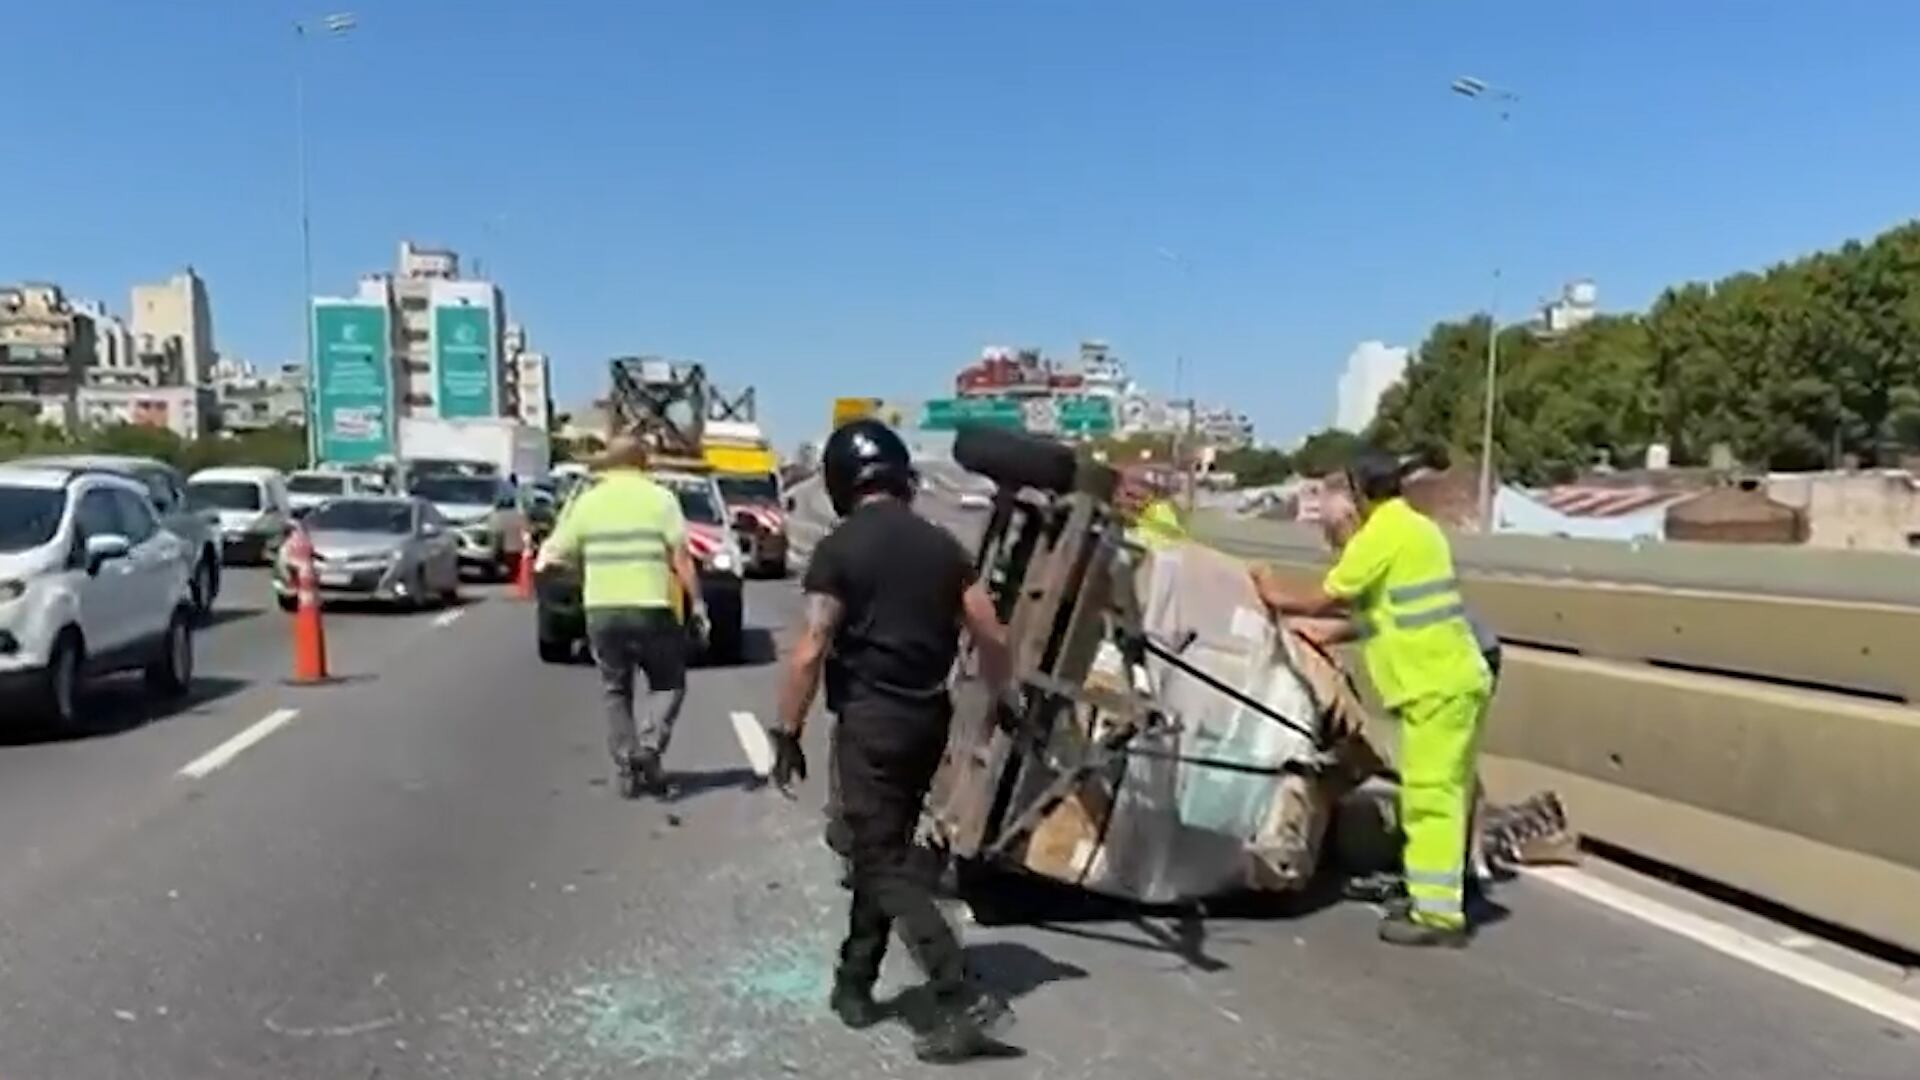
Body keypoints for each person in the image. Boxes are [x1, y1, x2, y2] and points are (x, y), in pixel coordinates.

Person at [769, 418, 1017, 1064]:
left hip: (871, 726)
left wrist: (787, 731)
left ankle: (957, 990)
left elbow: (810, 650)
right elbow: (991, 634)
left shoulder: (840, 549)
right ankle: (855, 982)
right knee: (881, 851)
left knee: (877, 859)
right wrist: (999, 700)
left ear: (840, 483)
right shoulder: (942, 546)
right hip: (926, 720)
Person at [1250, 448, 1492, 948]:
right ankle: (1429, 892)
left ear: (1361, 494)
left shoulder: (1384, 535)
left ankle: (1438, 916)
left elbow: (1328, 593)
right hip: (1446, 680)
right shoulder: (1413, 529)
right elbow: (1378, 614)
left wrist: (1272, 593)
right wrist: (1320, 633)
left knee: (1431, 799)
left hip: (1437, 685)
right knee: (1436, 794)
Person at [536, 435, 707, 799]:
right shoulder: (661, 499)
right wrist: (699, 606)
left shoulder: (587, 502)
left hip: (602, 608)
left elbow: (555, 555)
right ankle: (649, 747)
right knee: (668, 683)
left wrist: (583, 571)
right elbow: (681, 559)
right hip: (653, 607)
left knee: (616, 689)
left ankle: (628, 762)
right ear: (643, 462)